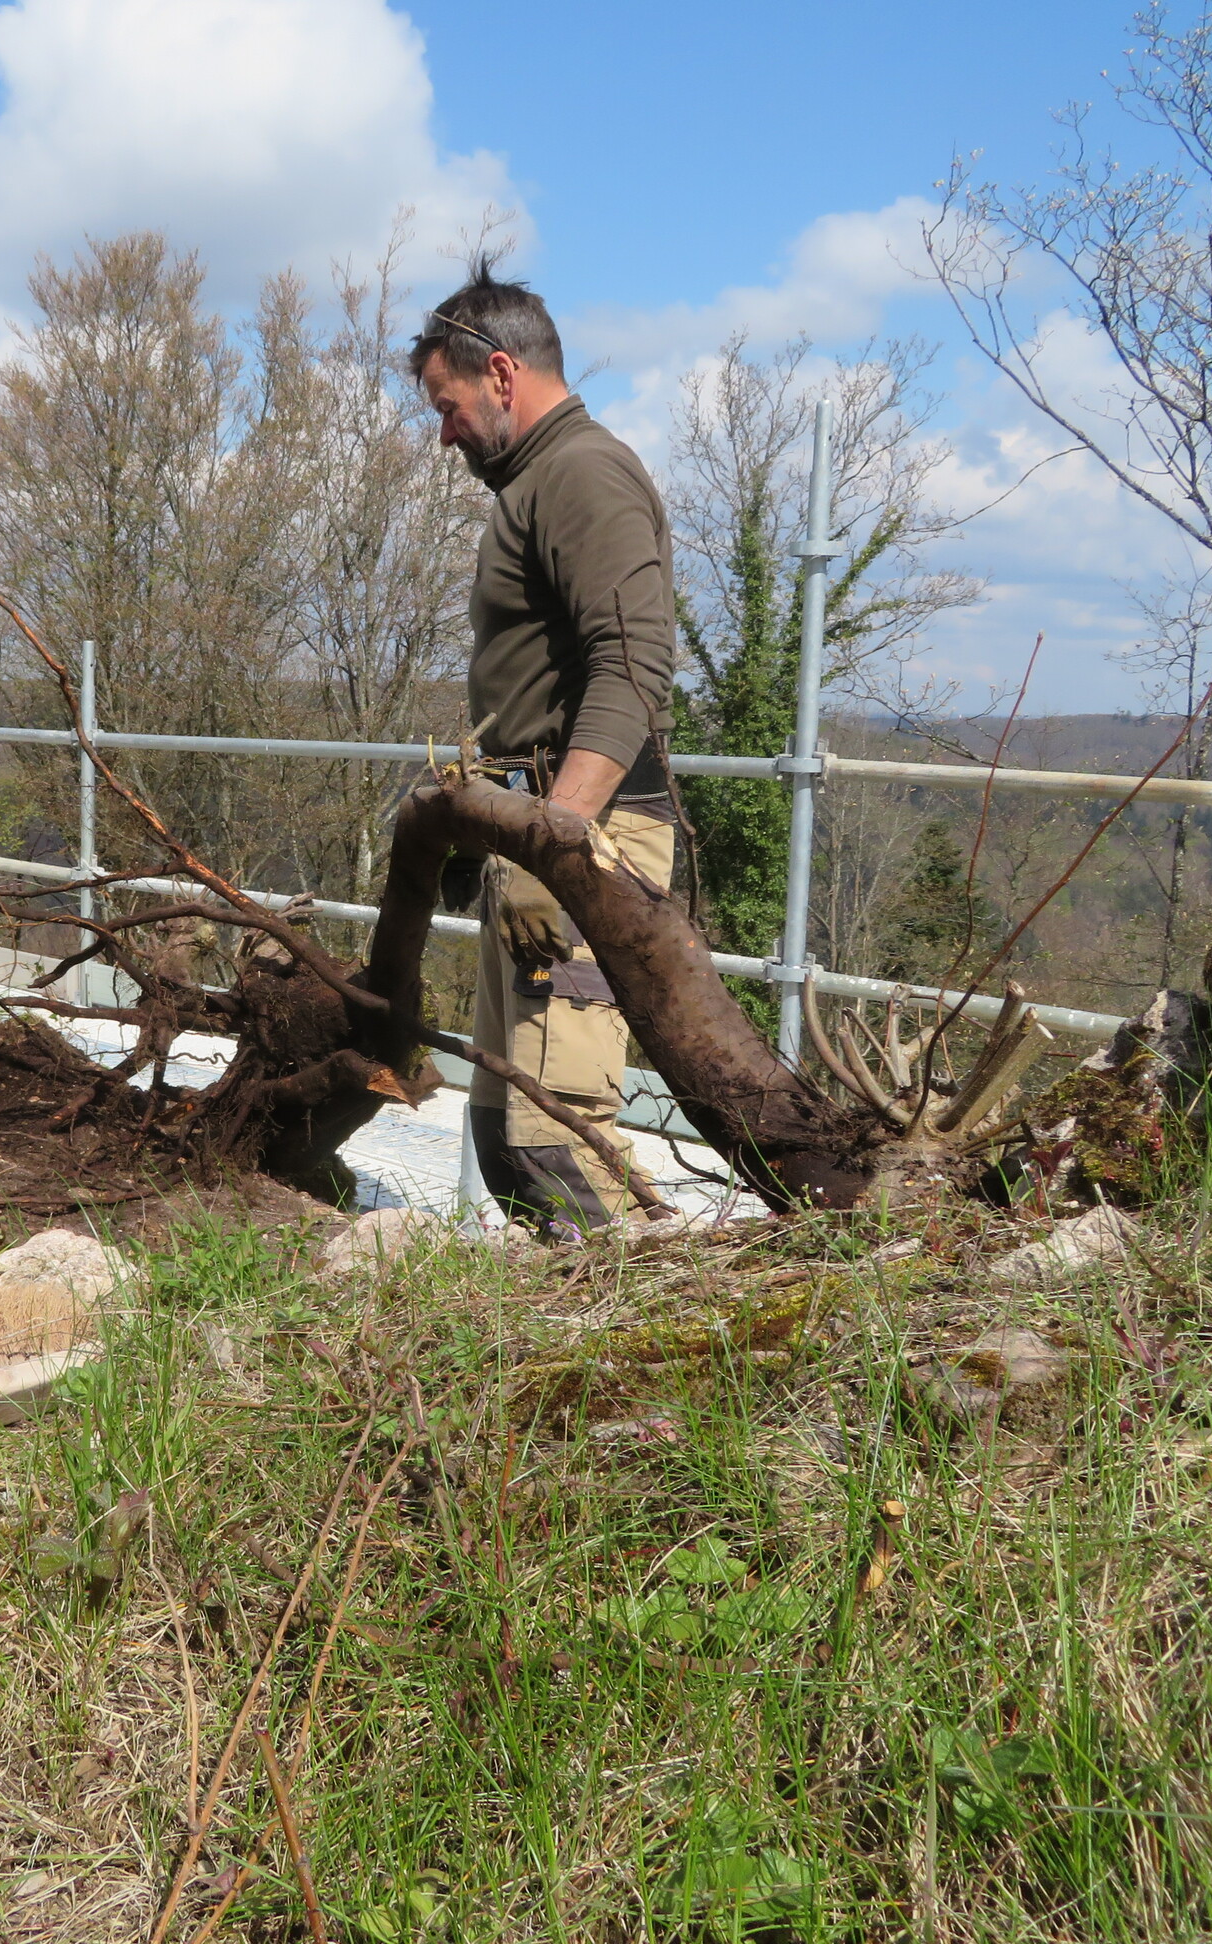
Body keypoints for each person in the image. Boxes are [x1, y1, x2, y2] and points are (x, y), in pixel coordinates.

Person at [411, 262, 678, 1234]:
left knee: (554, 1139)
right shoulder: (536, 484)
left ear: (501, 373)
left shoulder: (583, 473)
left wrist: (554, 842)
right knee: (504, 1133)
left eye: (447, 407)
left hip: (585, 837)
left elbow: (634, 666)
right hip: (536, 837)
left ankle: (657, 1319)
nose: (444, 435)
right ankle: (583, 1322)